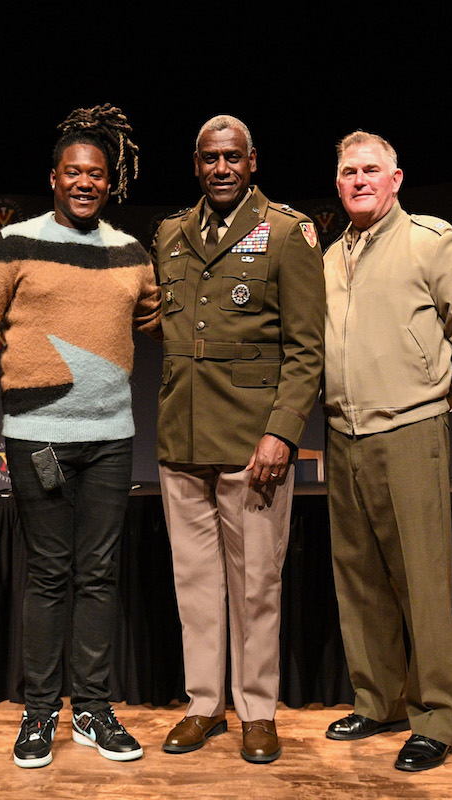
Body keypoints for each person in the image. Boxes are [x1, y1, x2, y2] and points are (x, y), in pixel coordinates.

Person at [0, 104, 160, 769]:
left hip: (109, 443)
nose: (86, 183)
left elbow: (159, 321)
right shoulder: (13, 245)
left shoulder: (130, 253)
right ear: (55, 178)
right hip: (39, 441)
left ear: (109, 181)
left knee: (98, 574)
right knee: (49, 573)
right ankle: (40, 714)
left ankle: (93, 709)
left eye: (97, 174)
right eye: (74, 173)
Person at [321, 131, 452, 771]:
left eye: (372, 169)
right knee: (361, 578)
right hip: (341, 434)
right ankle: (379, 702)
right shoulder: (328, 256)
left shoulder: (432, 241)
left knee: (422, 580)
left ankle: (437, 718)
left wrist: (433, 399)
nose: (360, 179)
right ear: (338, 184)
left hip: (408, 430)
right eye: (349, 172)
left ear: (396, 179)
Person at [150, 115, 325, 764]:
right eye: (209, 159)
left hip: (253, 446)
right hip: (181, 439)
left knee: (256, 586)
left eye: (232, 158)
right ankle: (204, 706)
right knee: (194, 585)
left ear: (252, 162)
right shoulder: (169, 234)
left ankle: (256, 710)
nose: (220, 169)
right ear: (196, 165)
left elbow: (307, 350)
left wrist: (281, 433)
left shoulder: (285, 233)